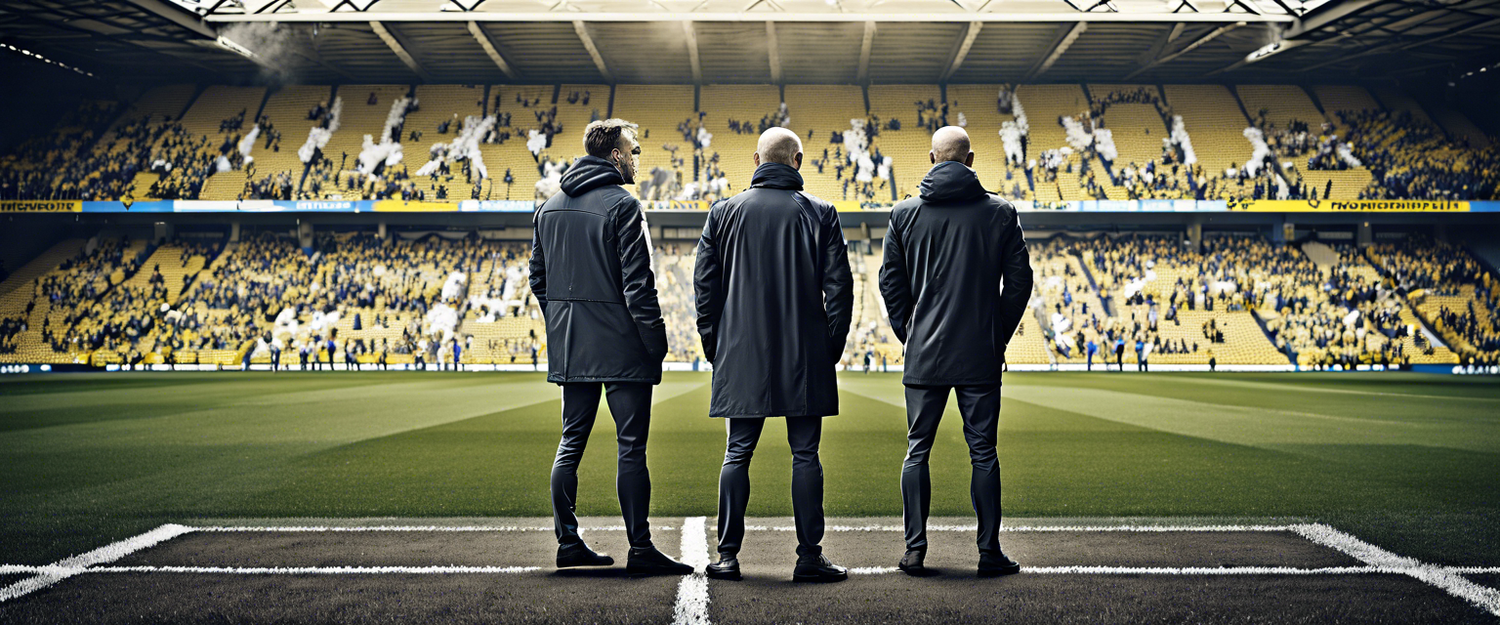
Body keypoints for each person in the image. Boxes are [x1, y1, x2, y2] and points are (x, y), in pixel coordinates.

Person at [530, 118, 691, 577]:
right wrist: (655, 343)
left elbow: (538, 281)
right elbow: (639, 286)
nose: (638, 158)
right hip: (622, 347)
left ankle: (567, 542)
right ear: (616, 155)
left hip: (572, 344)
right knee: (631, 447)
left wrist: (565, 323)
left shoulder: (548, 208)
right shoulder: (624, 205)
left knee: (570, 442)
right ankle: (640, 547)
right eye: (634, 151)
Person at [695, 127, 854, 584]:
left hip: (740, 352)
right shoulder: (821, 212)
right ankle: (808, 557)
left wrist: (716, 346)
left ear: (755, 159)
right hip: (805, 355)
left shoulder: (723, 212)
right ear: (798, 160)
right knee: (806, 454)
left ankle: (727, 556)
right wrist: (830, 349)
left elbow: (705, 288)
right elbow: (839, 288)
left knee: (736, 453)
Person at [878, 126, 1032, 579]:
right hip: (978, 354)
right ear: (970, 160)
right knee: (983, 452)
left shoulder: (903, 213)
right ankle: (989, 552)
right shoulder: (1000, 212)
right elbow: (1019, 282)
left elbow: (891, 283)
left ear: (931, 158)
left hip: (924, 351)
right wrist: (995, 335)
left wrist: (910, 333)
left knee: (916, 450)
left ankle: (914, 550)